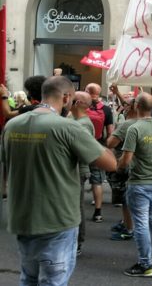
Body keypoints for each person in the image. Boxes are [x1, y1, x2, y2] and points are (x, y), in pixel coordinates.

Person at [2, 76, 116, 285]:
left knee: (28, 277)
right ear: (66, 98)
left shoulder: (12, 126)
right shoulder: (67, 128)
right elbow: (110, 163)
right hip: (57, 219)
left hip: (22, 217)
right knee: (53, 281)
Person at [119, 92, 152, 277]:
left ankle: (145, 264)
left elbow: (126, 159)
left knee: (140, 223)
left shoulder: (134, 128)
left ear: (136, 106)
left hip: (139, 181)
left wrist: (118, 166)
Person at [105, 95, 138, 241]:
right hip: (144, 168)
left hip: (125, 165)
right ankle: (128, 224)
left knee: (126, 200)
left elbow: (110, 143)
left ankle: (129, 228)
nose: (123, 106)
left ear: (131, 107)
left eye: (125, 104)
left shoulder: (126, 124)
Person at [70, 91, 96, 255]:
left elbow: (84, 151)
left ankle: (78, 242)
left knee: (76, 207)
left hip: (78, 170)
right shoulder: (74, 119)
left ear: (77, 102)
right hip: (73, 170)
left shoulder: (83, 124)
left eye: (71, 97)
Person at [85, 82, 115, 223]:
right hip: (97, 147)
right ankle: (98, 212)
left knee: (75, 178)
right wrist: (108, 149)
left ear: (86, 91)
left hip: (78, 147)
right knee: (97, 182)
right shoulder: (106, 110)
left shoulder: (79, 105)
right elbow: (110, 132)